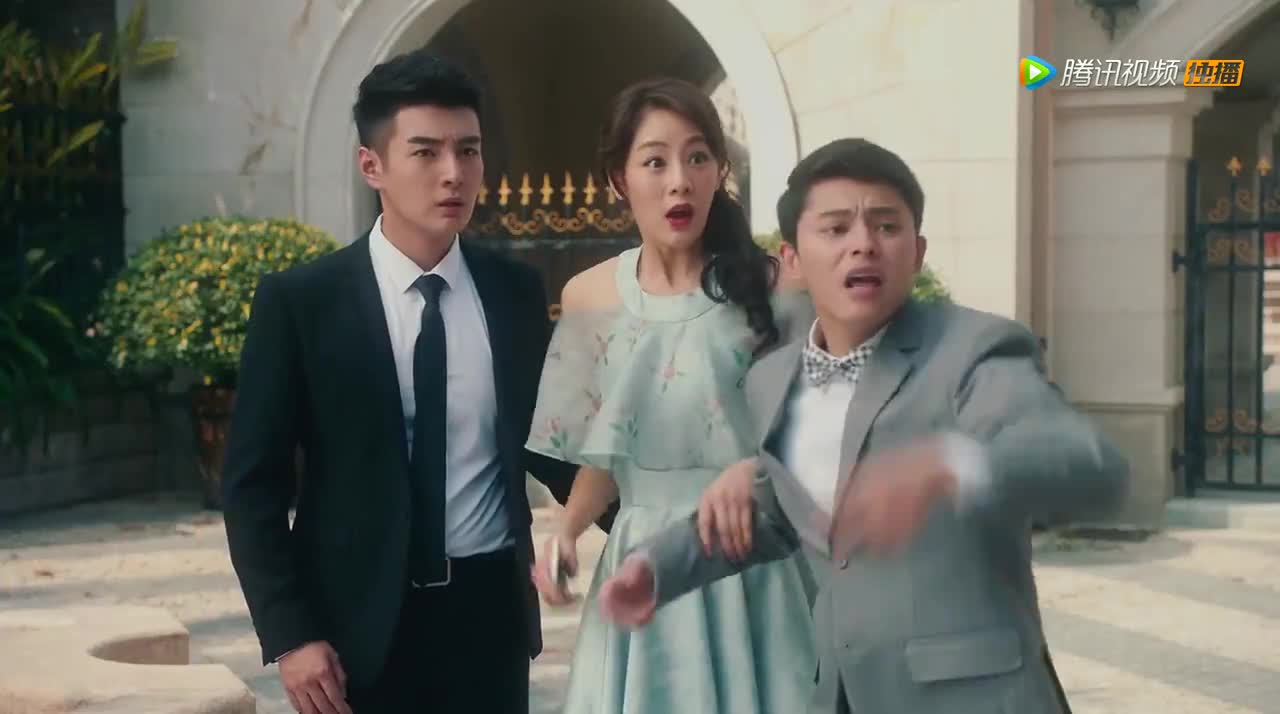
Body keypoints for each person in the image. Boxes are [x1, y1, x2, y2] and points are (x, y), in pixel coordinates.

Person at [596, 137, 1130, 714]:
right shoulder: (772, 378)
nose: (863, 245)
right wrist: (656, 568)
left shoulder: (974, 349)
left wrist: (953, 465)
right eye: (835, 228)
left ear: (917, 252)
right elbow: (777, 514)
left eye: (886, 226)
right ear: (792, 259)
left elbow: (1086, 464)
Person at [221, 51, 583, 714]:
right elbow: (252, 486)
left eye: (469, 150)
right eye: (426, 152)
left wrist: (648, 521)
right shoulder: (303, 302)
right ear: (372, 166)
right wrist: (290, 633)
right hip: (352, 632)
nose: (454, 173)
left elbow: (553, 446)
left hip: (489, 624)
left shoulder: (514, 293)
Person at [524, 77, 818, 713]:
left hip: (751, 564)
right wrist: (567, 531)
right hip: (641, 562)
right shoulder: (588, 297)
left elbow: (819, 439)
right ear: (619, 179)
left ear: (720, 171)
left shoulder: (779, 289)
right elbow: (604, 453)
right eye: (655, 162)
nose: (679, 181)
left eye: (697, 157)